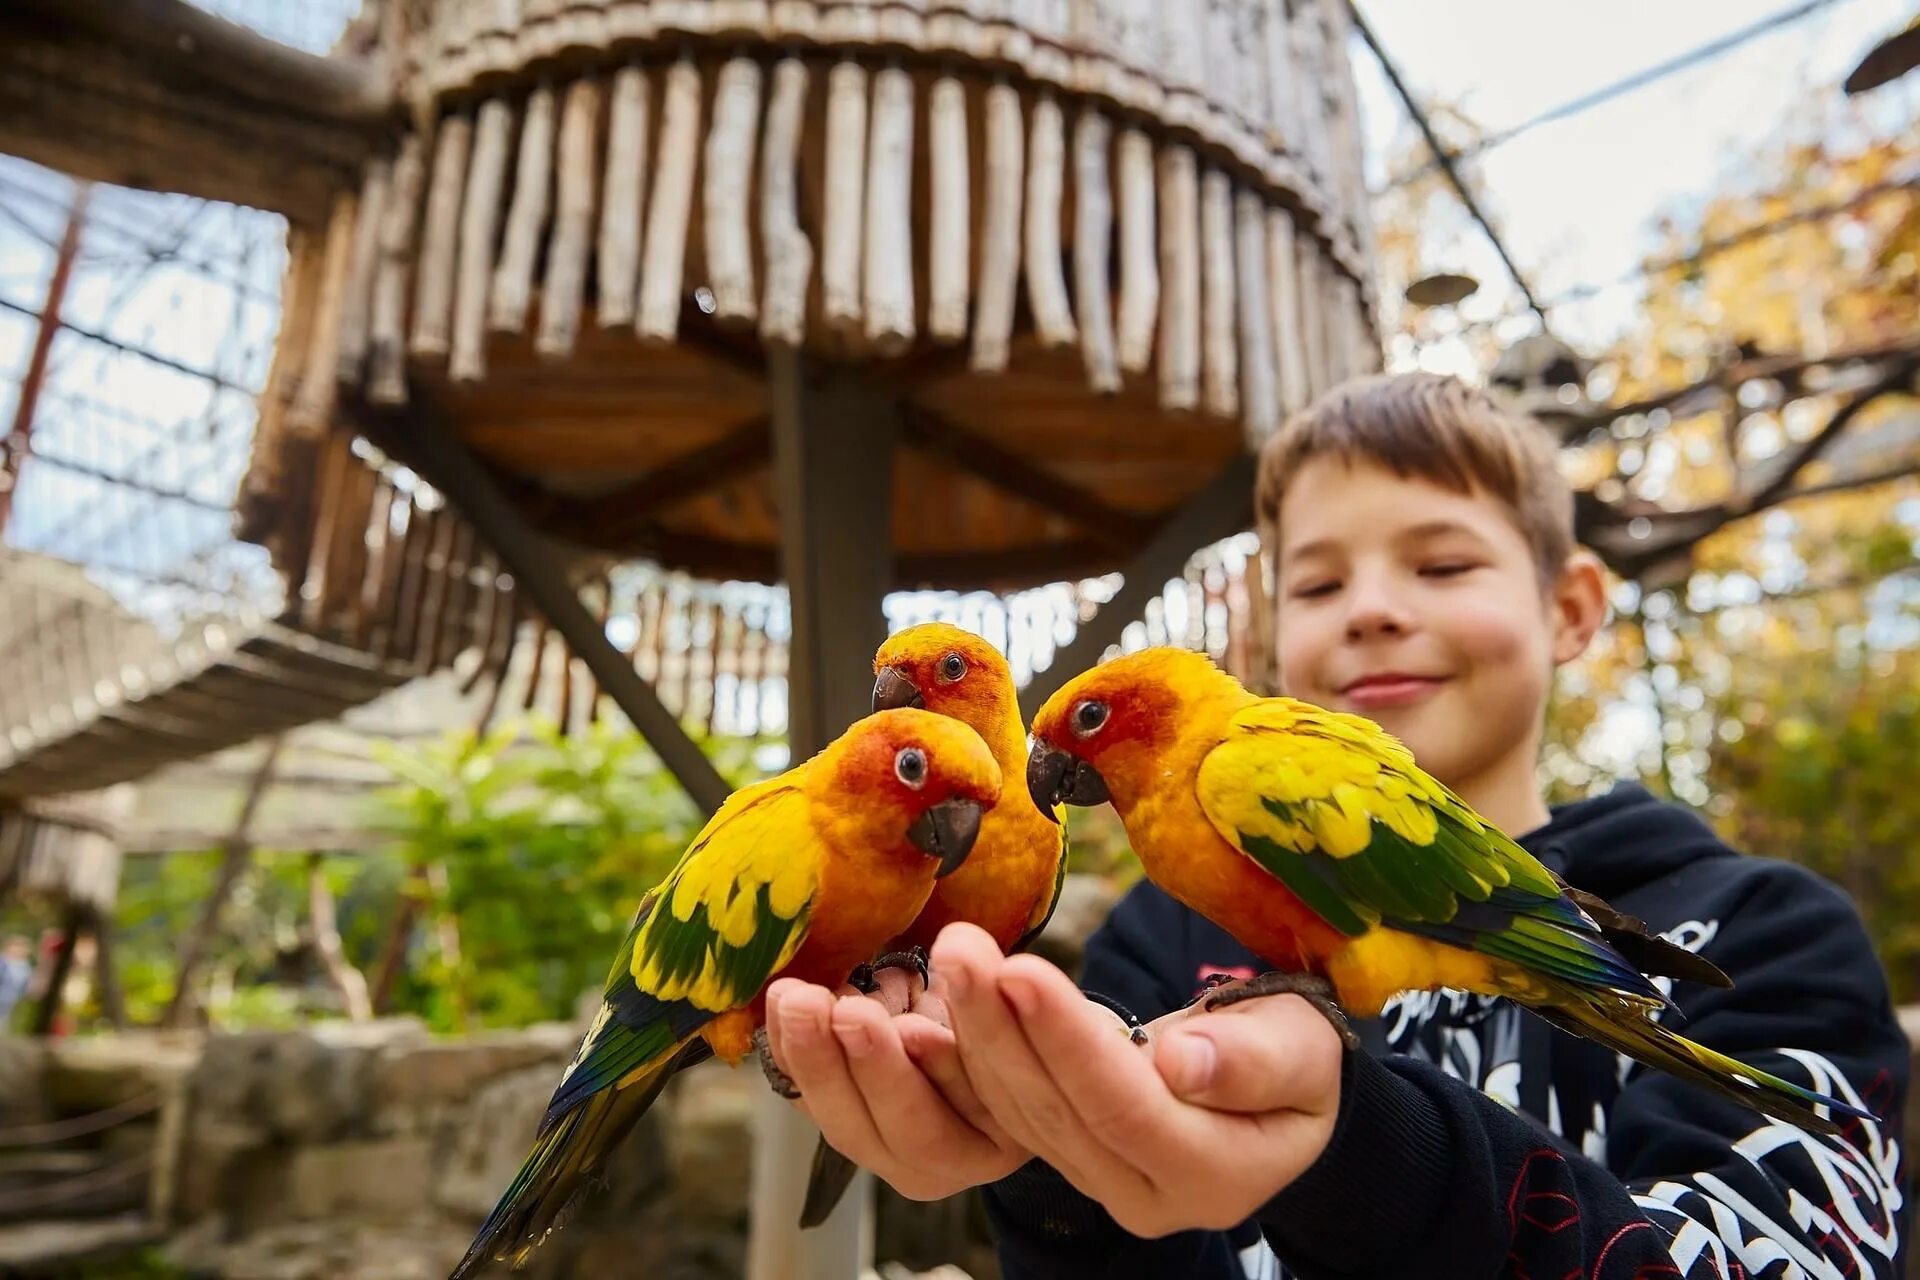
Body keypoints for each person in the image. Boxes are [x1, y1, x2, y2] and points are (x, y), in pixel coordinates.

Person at [765, 371, 1910, 1279]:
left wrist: (1364, 1151)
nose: (1371, 610)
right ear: (1269, 641)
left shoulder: (1771, 932)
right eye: (1316, 586)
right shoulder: (1154, 945)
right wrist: (1061, 1154)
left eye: (1442, 561)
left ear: (1570, 610)